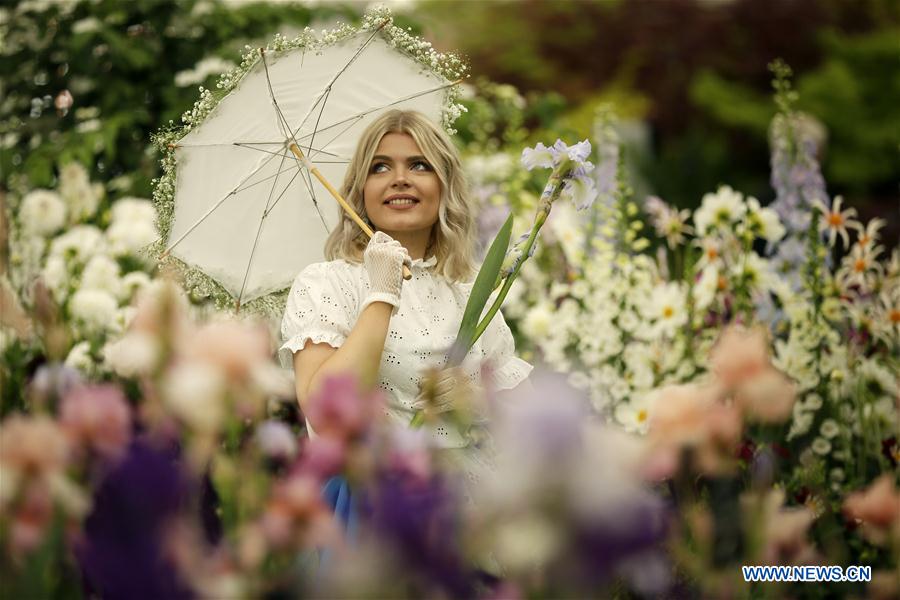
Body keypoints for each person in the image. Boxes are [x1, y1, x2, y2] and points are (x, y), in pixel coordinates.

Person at [278, 109, 532, 469]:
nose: (400, 179)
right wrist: (381, 295)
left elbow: (534, 427)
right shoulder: (325, 284)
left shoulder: (468, 289)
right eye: (380, 167)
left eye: (419, 165)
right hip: (375, 486)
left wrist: (477, 401)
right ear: (360, 189)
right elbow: (324, 413)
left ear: (444, 185)